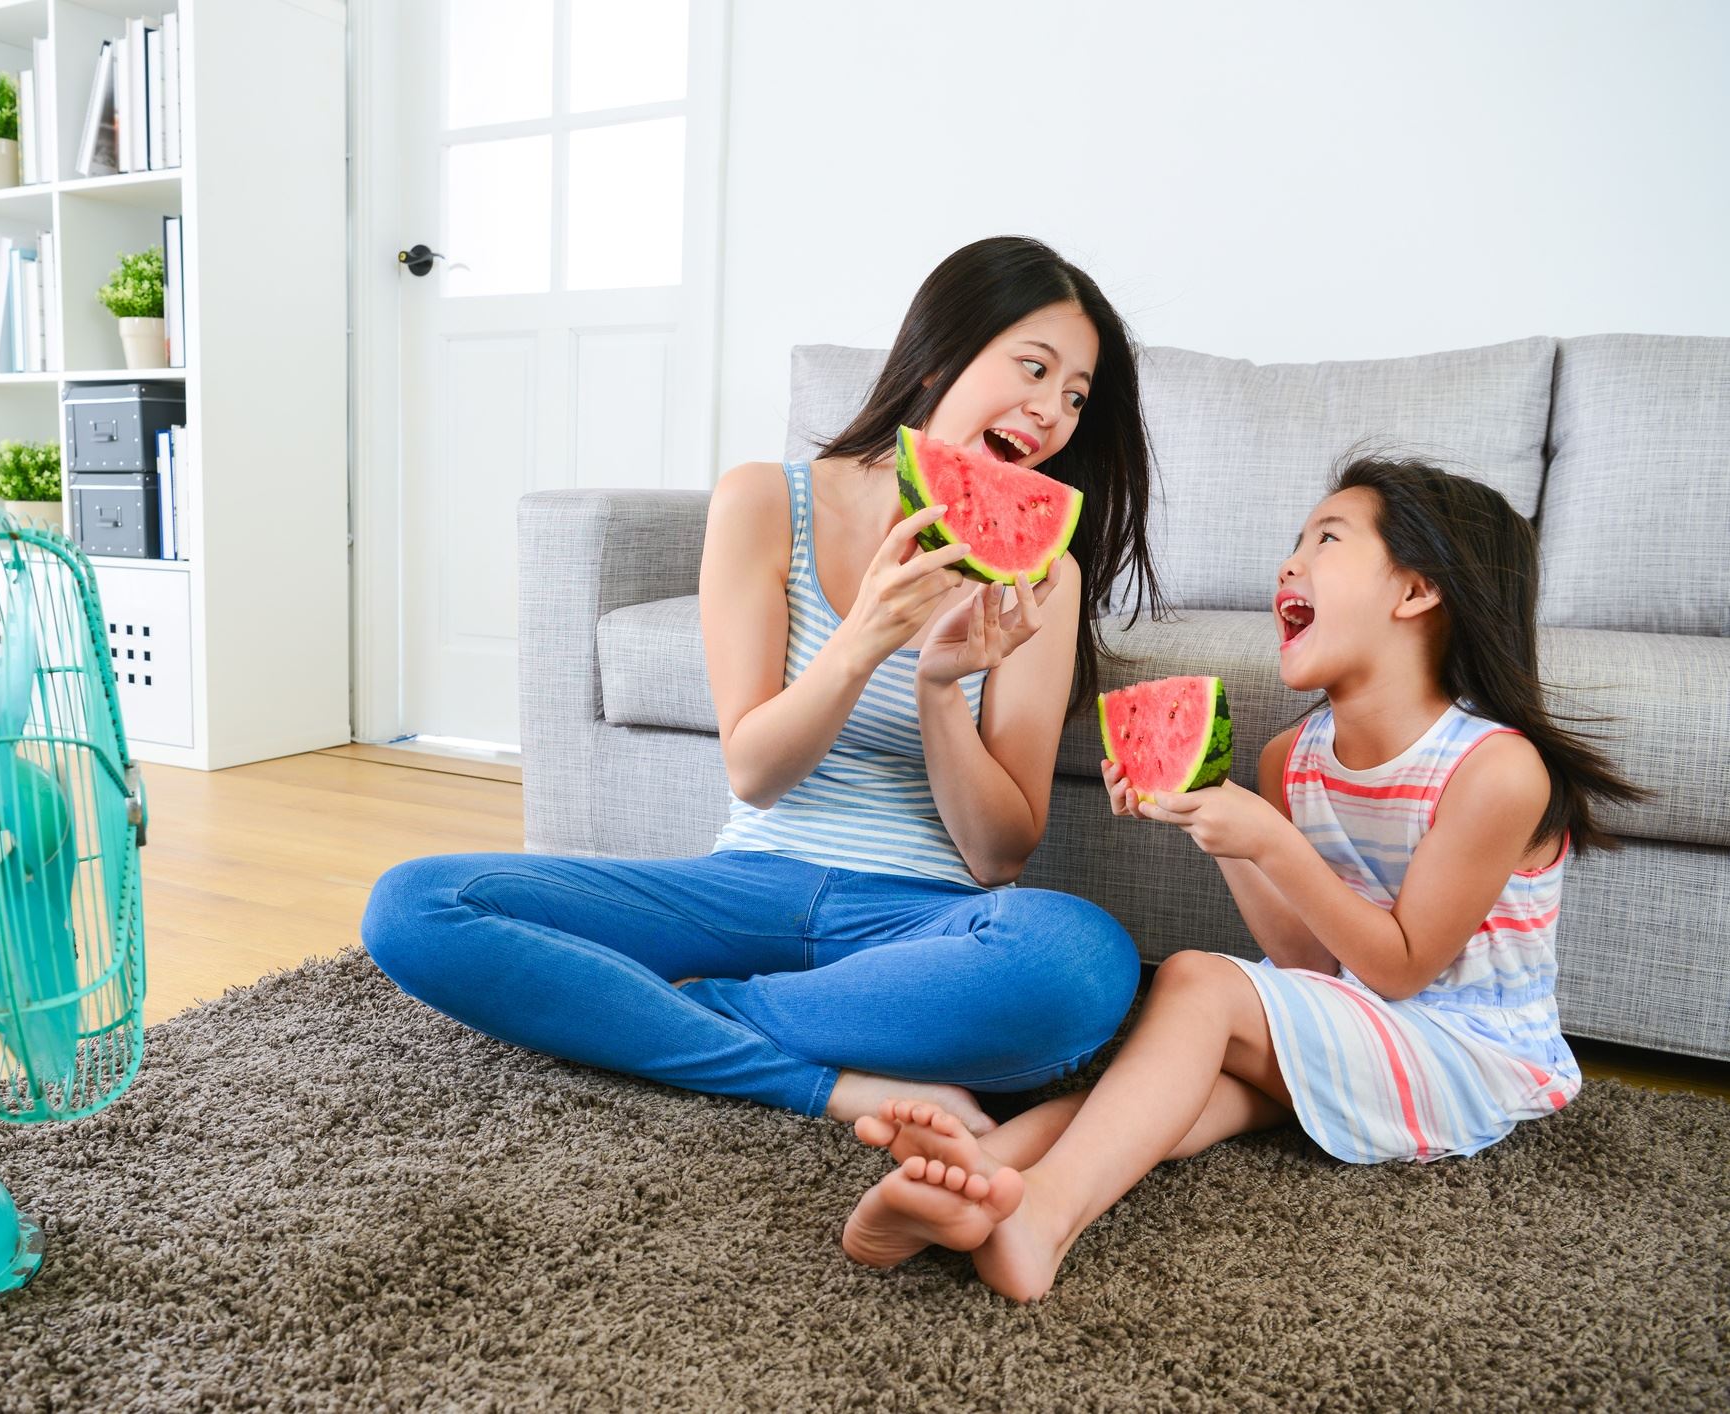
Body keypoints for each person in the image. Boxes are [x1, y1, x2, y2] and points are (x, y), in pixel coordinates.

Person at [361, 236, 1162, 1135]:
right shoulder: (763, 501)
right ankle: (826, 1079)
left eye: (1076, 397)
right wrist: (865, 638)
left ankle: (681, 1013)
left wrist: (941, 690)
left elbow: (998, 857)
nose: (1052, 413)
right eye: (1034, 367)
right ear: (942, 354)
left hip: (917, 928)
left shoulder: (1043, 579)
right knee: (415, 904)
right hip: (739, 891)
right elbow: (754, 770)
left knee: (1082, 963)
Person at [839, 454, 1645, 1299]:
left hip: (1466, 1052)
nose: (1289, 561)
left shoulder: (1497, 771)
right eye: (1296, 539)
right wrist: (1218, 827)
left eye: (1327, 539)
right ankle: (975, 1174)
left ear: (1416, 591)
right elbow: (1306, 962)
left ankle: (1040, 1217)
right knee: (1177, 1089)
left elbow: (1403, 967)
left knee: (1198, 981)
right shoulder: (1289, 758)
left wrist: (1268, 841)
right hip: (1361, 1018)